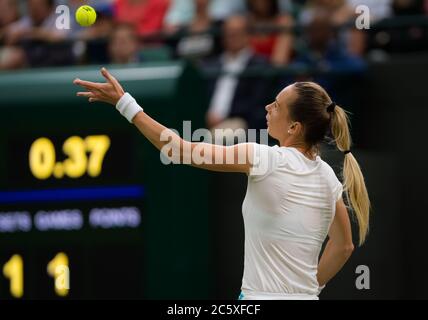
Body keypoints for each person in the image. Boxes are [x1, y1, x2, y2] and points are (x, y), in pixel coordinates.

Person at [74, 69, 370, 300]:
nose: (268, 107)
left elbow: (179, 149)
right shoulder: (329, 177)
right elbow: (343, 246)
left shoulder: (263, 158)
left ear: (294, 128)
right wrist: (305, 290)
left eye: (277, 106)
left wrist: (125, 103)